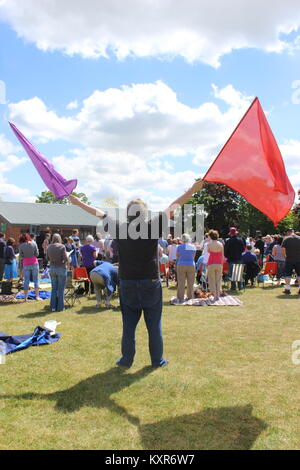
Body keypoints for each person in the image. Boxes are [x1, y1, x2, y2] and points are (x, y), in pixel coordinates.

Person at [69, 178, 204, 368]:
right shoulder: (153, 225)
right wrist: (193, 189)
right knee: (154, 326)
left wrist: (75, 201)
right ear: (145, 213)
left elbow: (97, 213)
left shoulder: (120, 227)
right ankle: (157, 360)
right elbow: (174, 205)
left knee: (129, 326)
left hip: (128, 282)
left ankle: (126, 360)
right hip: (150, 282)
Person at [47, 234, 69, 311]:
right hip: (61, 268)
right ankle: (60, 307)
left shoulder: (49, 247)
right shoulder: (62, 246)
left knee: (53, 289)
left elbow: (47, 258)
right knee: (61, 289)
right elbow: (66, 259)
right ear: (59, 239)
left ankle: (53, 307)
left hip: (52, 268)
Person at [19, 233, 41, 301]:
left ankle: (25, 297)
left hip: (26, 264)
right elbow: (37, 254)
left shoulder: (21, 246)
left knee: (26, 281)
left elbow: (21, 256)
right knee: (36, 280)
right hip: (34, 262)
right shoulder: (34, 243)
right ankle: (37, 296)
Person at [176, 233, 196, 302]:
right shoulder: (193, 247)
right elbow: (193, 256)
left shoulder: (179, 247)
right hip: (191, 264)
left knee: (181, 282)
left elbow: (177, 256)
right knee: (191, 282)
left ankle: (180, 297)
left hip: (181, 264)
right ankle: (190, 296)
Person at [281, 229, 300, 295]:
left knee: (288, 274)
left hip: (289, 259)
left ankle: (287, 289)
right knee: (299, 275)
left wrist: (284, 256)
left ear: (288, 232)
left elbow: (283, 249)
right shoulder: (299, 238)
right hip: (299, 259)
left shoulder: (286, 239)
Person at [207, 230, 224, 301]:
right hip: (219, 263)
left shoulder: (209, 244)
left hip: (211, 263)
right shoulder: (221, 244)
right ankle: (218, 295)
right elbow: (222, 255)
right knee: (218, 280)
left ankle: (214, 295)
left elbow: (208, 251)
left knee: (212, 280)